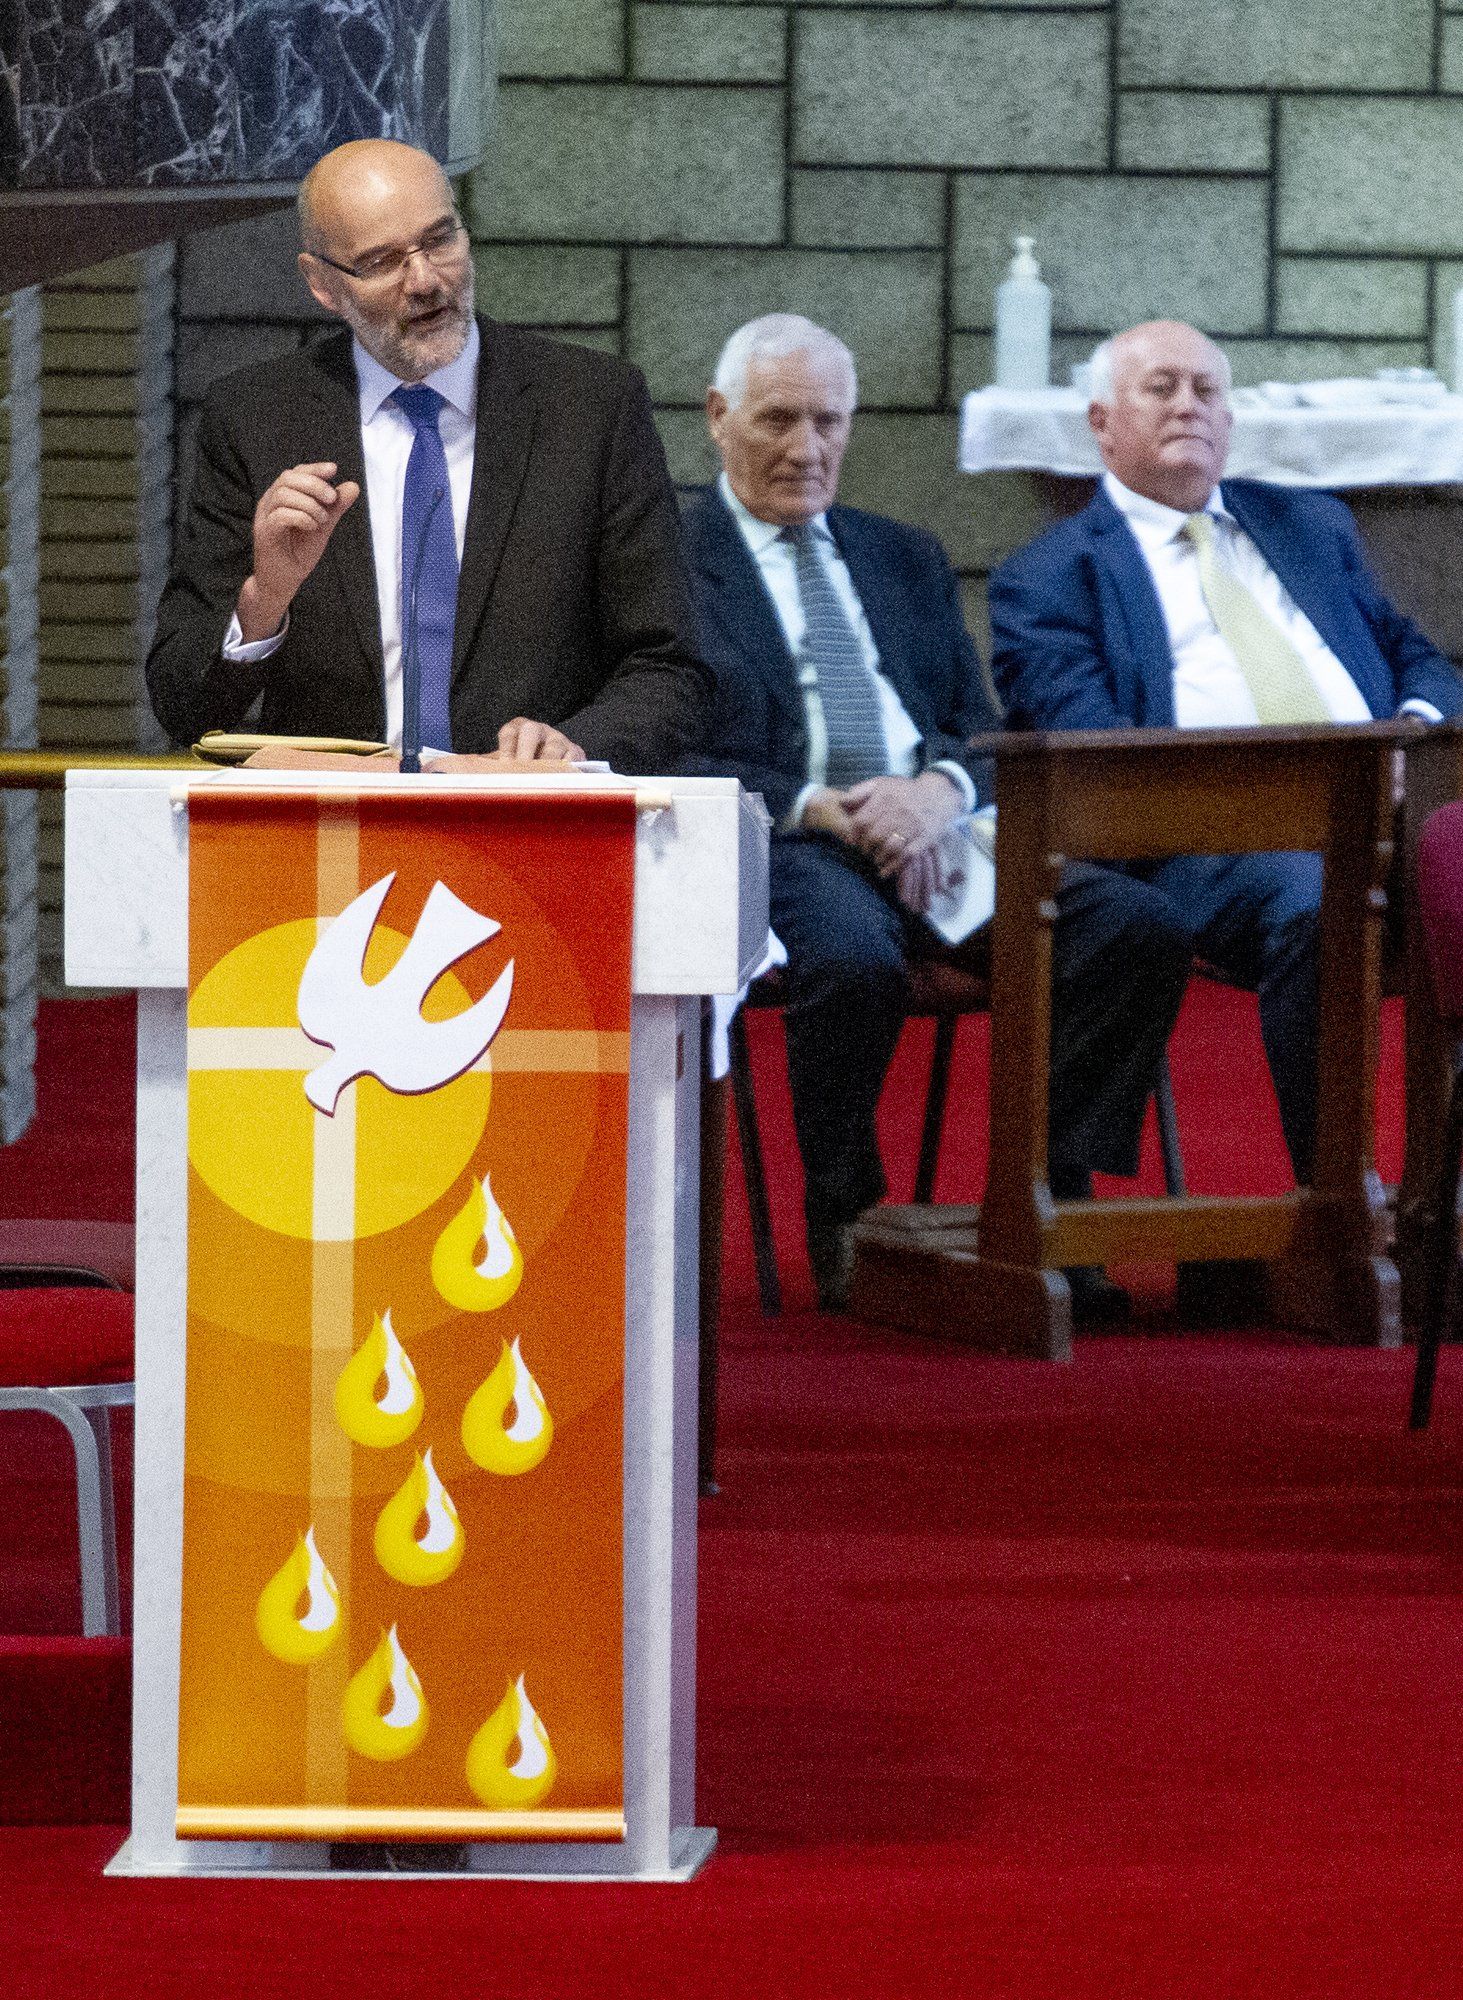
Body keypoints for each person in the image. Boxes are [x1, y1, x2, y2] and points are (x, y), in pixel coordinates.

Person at [683, 313, 1192, 1313]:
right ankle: (847, 1204)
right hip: (785, 829)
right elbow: (654, 741)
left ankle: (1046, 1198)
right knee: (850, 959)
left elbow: (975, 726)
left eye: (828, 421)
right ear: (715, 417)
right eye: (778, 419)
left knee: (1136, 927)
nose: (806, 447)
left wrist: (936, 791)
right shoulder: (662, 557)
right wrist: (821, 805)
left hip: (938, 830)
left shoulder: (899, 554)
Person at [989, 319, 1463, 1202]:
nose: (1188, 407)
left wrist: (1411, 728)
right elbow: (1093, 755)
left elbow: (1419, 657)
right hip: (1203, 851)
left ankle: (1445, 1203)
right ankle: (1339, 1209)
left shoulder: (1307, 524)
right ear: (1100, 421)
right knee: (1319, 902)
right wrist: (1293, 800)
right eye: (1160, 387)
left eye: (1207, 390)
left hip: (1391, 812)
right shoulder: (1049, 576)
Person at [146, 139, 709, 772]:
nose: (426, 280)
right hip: (333, 845)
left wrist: (574, 747)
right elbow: (183, 705)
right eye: (384, 261)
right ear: (323, 284)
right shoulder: (256, 419)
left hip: (531, 833)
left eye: (440, 240)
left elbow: (670, 668)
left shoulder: (591, 407)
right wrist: (265, 597)